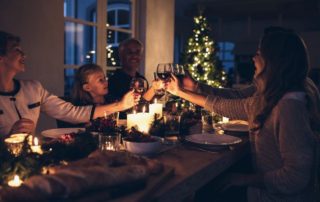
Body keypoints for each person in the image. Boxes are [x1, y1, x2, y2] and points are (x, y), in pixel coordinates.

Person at [166, 27, 320, 201]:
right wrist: (195, 88)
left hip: (276, 196)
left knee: (204, 192)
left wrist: (244, 180)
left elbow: (295, 178)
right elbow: (232, 101)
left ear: (274, 61)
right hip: (269, 186)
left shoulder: (290, 106)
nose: (253, 58)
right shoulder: (274, 91)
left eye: (259, 53)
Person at [0, 31, 139, 137]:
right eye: (16, 49)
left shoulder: (33, 88)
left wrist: (120, 105)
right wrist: (9, 137)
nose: (24, 55)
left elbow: (72, 112)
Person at [108, 38, 160, 102]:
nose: (134, 56)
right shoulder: (113, 81)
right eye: (129, 52)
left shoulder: (142, 79)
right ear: (121, 56)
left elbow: (146, 103)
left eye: (137, 52)